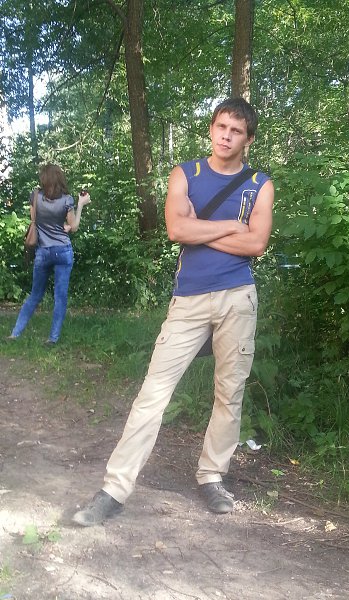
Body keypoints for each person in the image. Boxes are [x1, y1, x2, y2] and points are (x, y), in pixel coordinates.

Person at [72, 97, 274, 526]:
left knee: (229, 394)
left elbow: (256, 244)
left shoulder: (260, 183)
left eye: (236, 131)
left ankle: (212, 476)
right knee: (153, 393)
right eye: (221, 127)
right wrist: (229, 227)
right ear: (211, 129)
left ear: (248, 139)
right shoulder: (186, 173)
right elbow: (176, 228)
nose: (226, 136)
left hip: (238, 298)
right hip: (189, 300)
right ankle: (114, 489)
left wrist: (200, 230)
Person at [7, 164, 91, 344]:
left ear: (44, 179)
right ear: (60, 178)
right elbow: (74, 227)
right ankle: (52, 339)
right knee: (60, 297)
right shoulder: (67, 200)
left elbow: (34, 220)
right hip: (63, 251)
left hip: (43, 251)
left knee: (35, 295)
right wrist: (81, 204)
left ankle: (15, 334)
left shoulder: (36, 196)